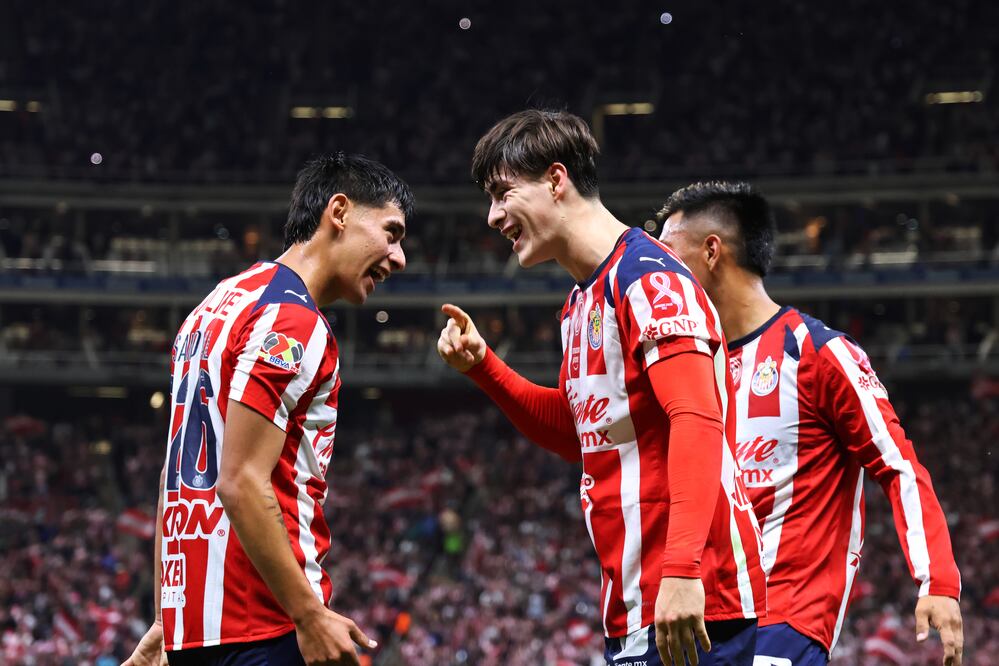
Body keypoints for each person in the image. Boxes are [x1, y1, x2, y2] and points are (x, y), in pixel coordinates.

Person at [437, 110, 767, 666]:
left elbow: (696, 419)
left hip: (696, 597)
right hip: (635, 599)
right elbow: (579, 433)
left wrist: (682, 570)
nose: (492, 216)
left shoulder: (649, 279)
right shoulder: (580, 302)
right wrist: (484, 366)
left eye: (502, 193)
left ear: (556, 179)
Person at [656, 181, 964, 666]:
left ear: (712, 252)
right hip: (708, 618)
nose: (659, 273)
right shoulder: (690, 366)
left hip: (785, 620)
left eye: (669, 255)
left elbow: (899, 466)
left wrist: (937, 581)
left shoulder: (818, 353)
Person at [122, 153, 413, 666]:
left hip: (197, 628)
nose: (399, 257)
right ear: (339, 212)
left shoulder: (213, 306)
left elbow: (176, 477)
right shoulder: (292, 320)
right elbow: (238, 480)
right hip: (266, 625)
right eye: (391, 233)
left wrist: (170, 620)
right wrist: (308, 614)